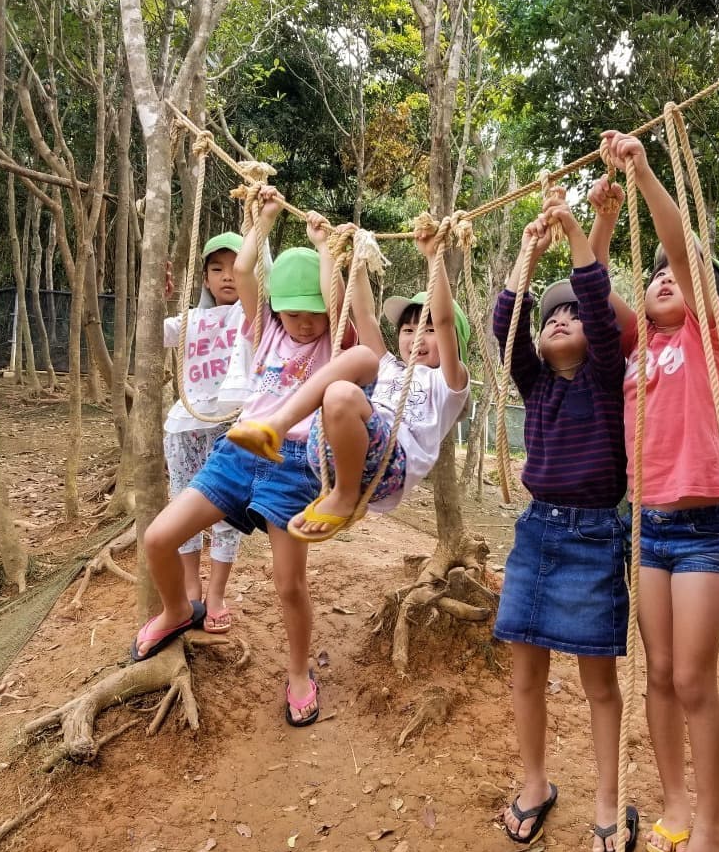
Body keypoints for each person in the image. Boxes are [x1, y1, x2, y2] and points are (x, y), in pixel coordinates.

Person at [130, 186, 347, 730]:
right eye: (293, 311)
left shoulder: (332, 346)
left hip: (292, 464)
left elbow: (338, 306)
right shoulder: (263, 331)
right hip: (236, 450)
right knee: (158, 537)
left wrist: (324, 249)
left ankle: (300, 673)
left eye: (313, 313)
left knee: (288, 583)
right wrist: (265, 218)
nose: (303, 322)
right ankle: (179, 610)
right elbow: (248, 271)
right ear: (277, 309)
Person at [601, 130, 719, 852]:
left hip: (703, 528)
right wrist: (582, 220)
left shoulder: (705, 339)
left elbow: (681, 252)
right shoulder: (635, 356)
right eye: (649, 277)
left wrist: (645, 171)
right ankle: (678, 807)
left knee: (693, 677)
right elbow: (593, 288)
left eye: (674, 277)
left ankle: (716, 840)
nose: (662, 279)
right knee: (656, 673)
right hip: (648, 527)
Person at [492, 191, 637, 852]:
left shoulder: (608, 377)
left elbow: (598, 304)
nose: (562, 320)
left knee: (597, 682)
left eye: (575, 315)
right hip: (535, 534)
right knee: (525, 672)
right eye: (552, 317)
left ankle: (608, 799)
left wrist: (579, 231)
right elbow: (505, 323)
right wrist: (527, 254)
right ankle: (534, 781)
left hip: (594, 537)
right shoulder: (537, 384)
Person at [228, 223, 470, 541]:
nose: (417, 338)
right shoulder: (388, 366)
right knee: (359, 361)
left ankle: (343, 494)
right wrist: (357, 255)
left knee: (345, 387)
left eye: (428, 330)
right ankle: (275, 427)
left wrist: (433, 258)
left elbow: (445, 320)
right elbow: (366, 315)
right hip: (328, 446)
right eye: (409, 330)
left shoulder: (449, 383)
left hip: (386, 467)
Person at [161, 232, 246, 634]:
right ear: (206, 279)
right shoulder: (189, 320)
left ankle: (216, 593)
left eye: (235, 268)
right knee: (183, 506)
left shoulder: (251, 316)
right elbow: (149, 333)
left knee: (227, 510)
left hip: (231, 424)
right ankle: (191, 584)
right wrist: (158, 296)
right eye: (217, 269)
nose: (227, 276)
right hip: (185, 424)